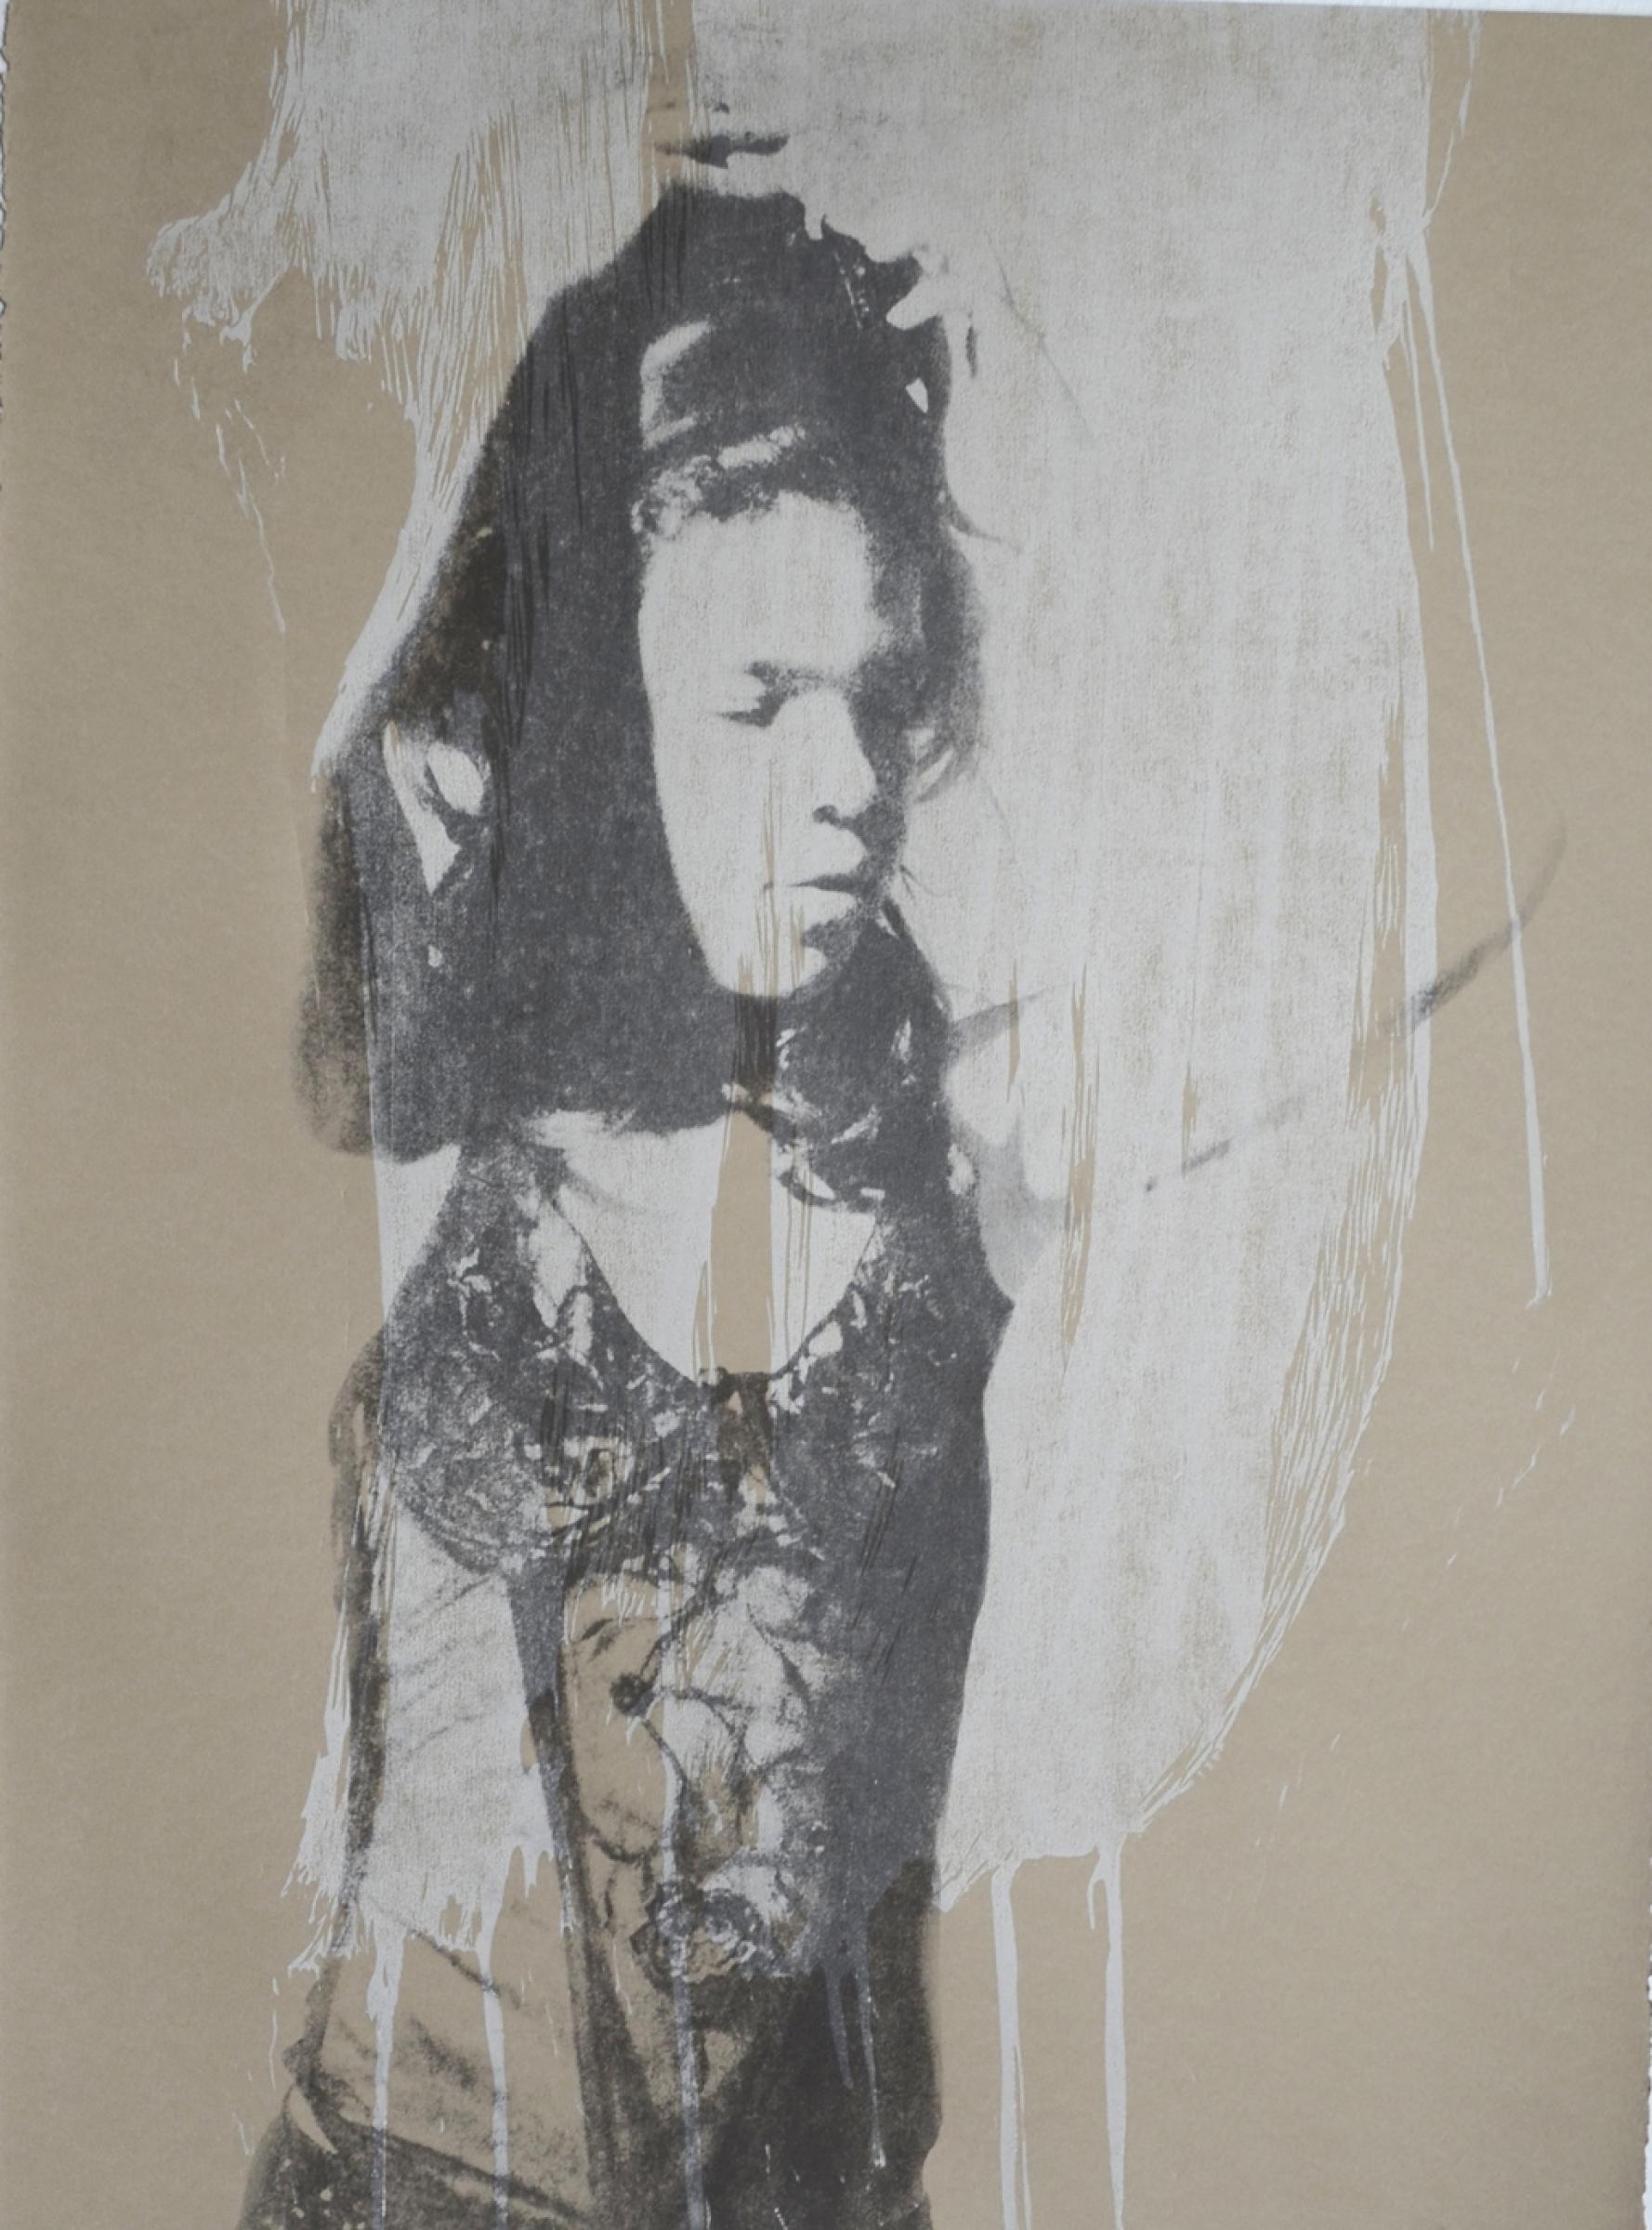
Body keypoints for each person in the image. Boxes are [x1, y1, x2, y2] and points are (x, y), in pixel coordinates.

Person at [243, 186, 1013, 2230]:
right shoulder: (456, 1086)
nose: (848, 780)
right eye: (761, 701)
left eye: (878, 696)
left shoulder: (934, 1186)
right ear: (614, 715)